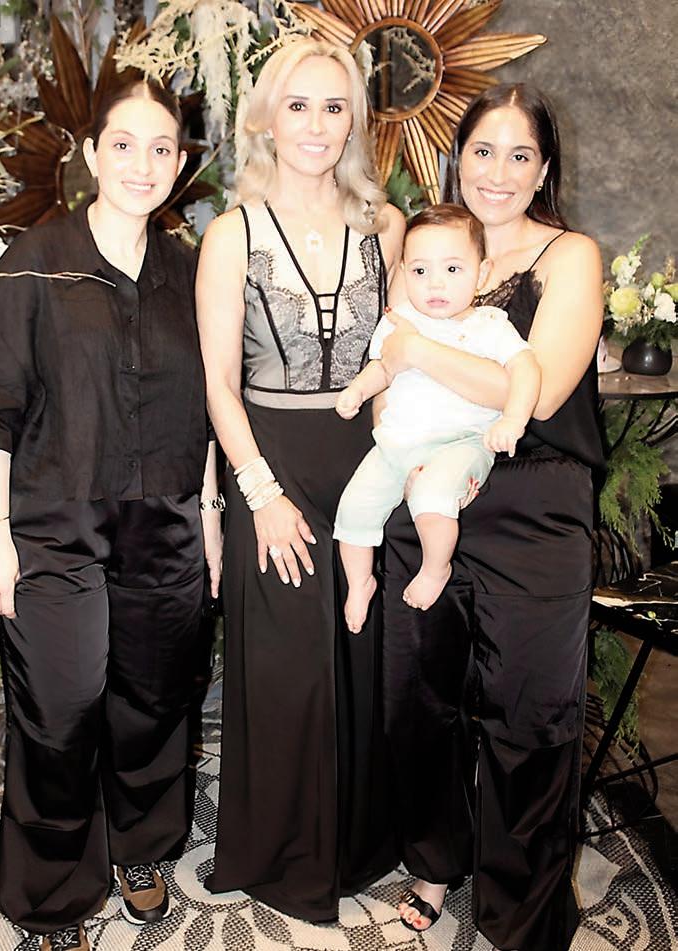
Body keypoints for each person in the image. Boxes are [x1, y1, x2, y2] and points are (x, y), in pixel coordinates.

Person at [0, 80, 221, 951]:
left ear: (180, 163)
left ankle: (140, 848)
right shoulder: (34, 259)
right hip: (51, 523)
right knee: (58, 711)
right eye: (125, 144)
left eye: (162, 148)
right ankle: (55, 891)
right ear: (92, 152)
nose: (143, 164)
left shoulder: (191, 271)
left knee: (154, 705)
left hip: (168, 523)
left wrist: (211, 513)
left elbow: (212, 405)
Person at [381, 84, 605, 951]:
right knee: (420, 700)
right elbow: (385, 372)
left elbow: (538, 393)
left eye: (519, 155)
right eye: (482, 150)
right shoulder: (426, 246)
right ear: (457, 157)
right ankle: (436, 859)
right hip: (426, 495)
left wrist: (416, 348)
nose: (498, 172)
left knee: (531, 715)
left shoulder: (568, 256)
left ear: (543, 170)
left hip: (533, 504)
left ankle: (521, 916)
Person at [196, 38, 405, 921]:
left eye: (333, 106)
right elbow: (218, 384)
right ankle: (281, 851)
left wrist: (407, 464)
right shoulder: (231, 235)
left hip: (366, 463)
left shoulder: (386, 227)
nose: (316, 124)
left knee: (362, 658)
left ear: (353, 121)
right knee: (288, 671)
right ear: (266, 119)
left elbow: (397, 357)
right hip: (268, 463)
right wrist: (258, 494)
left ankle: (357, 843)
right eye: (297, 105)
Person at [333, 204, 540, 630]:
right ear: (404, 273)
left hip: (461, 442)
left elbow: (525, 369)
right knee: (352, 510)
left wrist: (513, 420)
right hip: (396, 444)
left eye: (452, 269)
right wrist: (357, 391)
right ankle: (359, 582)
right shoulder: (400, 322)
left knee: (433, 498)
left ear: (482, 273)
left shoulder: (489, 325)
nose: (435, 283)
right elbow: (382, 368)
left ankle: (434, 568)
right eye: (421, 271)